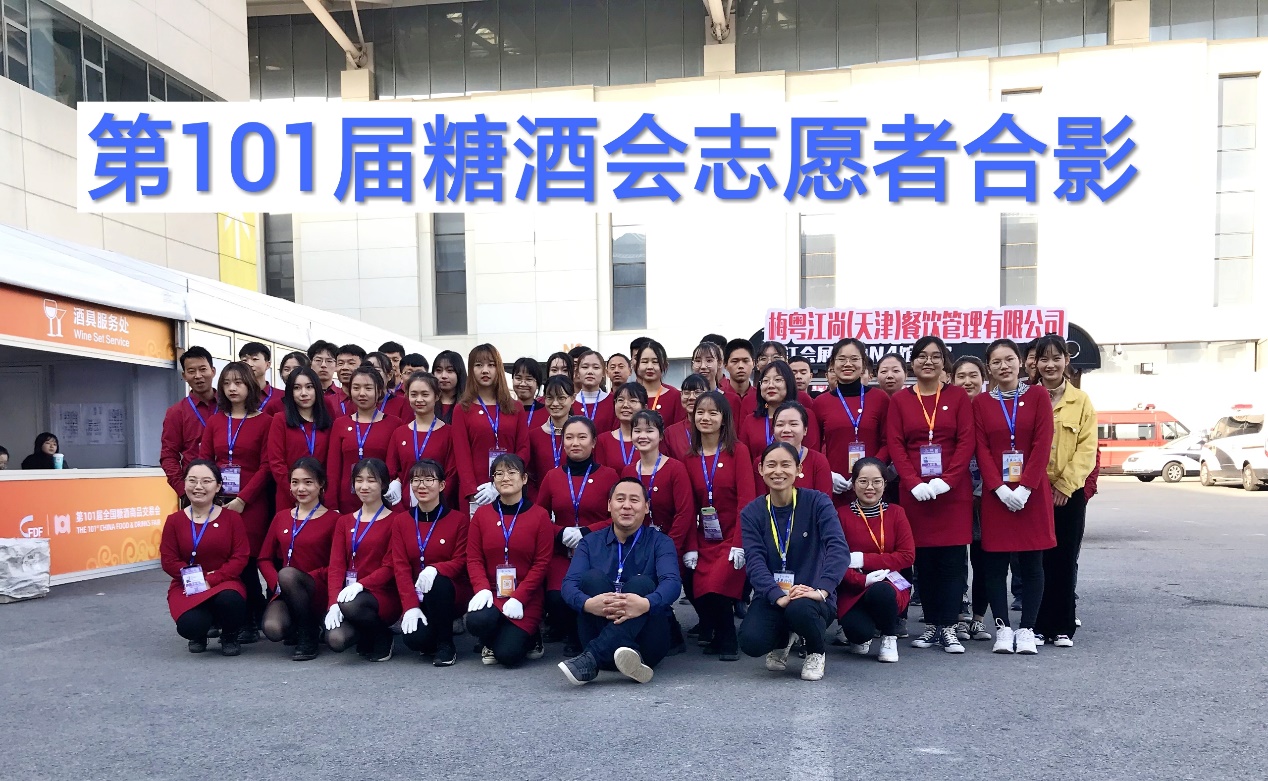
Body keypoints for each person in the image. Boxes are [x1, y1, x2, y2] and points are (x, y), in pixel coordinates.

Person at [886, 336, 974, 654]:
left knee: (952, 561)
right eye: (922, 356)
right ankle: (931, 625)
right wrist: (912, 482)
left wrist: (947, 481)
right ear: (913, 362)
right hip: (916, 494)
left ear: (944, 362)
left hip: (952, 493)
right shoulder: (901, 400)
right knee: (923, 561)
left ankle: (949, 626)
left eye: (936, 356)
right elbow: (896, 444)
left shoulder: (958, 397)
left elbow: (966, 441)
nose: (928, 361)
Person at [737, 442, 848, 681]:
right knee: (751, 641)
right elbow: (754, 561)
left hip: (812, 595)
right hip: (774, 594)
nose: (778, 471)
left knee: (800, 609)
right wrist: (777, 595)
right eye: (771, 465)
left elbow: (838, 549)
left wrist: (822, 590)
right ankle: (784, 638)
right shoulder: (752, 512)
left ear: (799, 469)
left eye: (786, 465)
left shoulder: (818, 502)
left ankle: (816, 651)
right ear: (761, 469)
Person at [973, 339, 1055, 655]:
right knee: (995, 564)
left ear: (1021, 362)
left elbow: (1042, 442)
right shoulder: (981, 403)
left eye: (1009, 359)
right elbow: (981, 448)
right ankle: (1003, 628)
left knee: (1032, 563)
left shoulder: (1037, 396)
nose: (1003, 366)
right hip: (997, 495)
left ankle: (1027, 628)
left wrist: (1025, 487)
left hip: (1031, 493)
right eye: (996, 362)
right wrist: (999, 488)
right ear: (989, 368)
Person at [558, 478, 683, 685]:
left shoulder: (661, 542)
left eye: (634, 500)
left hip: (648, 643)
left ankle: (593, 658)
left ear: (646, 507)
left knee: (641, 585)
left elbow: (672, 583)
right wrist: (588, 604)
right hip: (597, 628)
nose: (626, 506)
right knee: (592, 579)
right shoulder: (589, 542)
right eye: (620, 499)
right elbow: (568, 585)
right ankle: (627, 657)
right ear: (609, 505)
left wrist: (645, 604)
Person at [198, 360, 272, 642]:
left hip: (251, 502)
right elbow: (205, 462)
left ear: (250, 386)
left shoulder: (266, 421)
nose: (232, 388)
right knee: (222, 559)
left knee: (247, 561)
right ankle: (228, 618)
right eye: (227, 383)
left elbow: (266, 466)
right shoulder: (215, 421)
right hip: (218, 502)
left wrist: (243, 499)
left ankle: (251, 620)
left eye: (238, 382)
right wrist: (210, 496)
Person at [537, 416, 621, 655]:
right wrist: (560, 531)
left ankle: (588, 635)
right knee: (557, 596)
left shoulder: (609, 476)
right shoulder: (552, 477)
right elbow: (539, 517)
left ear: (593, 442)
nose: (575, 443)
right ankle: (570, 632)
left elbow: (617, 517)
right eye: (569, 437)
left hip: (599, 550)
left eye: (582, 437)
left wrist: (586, 531)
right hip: (563, 551)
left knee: (593, 588)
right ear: (562, 442)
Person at [1033, 333, 1097, 649]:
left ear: (1066, 361)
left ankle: (1062, 626)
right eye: (1044, 359)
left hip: (1068, 494)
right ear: (1036, 363)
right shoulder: (1029, 397)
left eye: (1056, 358)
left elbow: (1087, 448)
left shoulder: (1081, 401)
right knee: (1037, 561)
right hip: (1034, 492)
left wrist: (1065, 485)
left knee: (1064, 558)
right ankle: (1036, 624)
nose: (1050, 364)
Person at [683, 390, 755, 660]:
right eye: (700, 412)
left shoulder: (738, 451)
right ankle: (715, 634)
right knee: (698, 586)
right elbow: (689, 507)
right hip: (704, 537)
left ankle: (728, 639)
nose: (706, 418)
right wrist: (691, 545)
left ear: (724, 418)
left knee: (718, 584)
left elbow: (746, 501)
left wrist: (740, 543)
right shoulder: (689, 458)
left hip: (732, 536)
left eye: (713, 413)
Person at [465, 454, 554, 667]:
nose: (505, 478)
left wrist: (520, 597)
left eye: (512, 472)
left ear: (524, 479)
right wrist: (481, 589)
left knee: (508, 655)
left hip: (526, 596)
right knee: (476, 621)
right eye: (499, 474)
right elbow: (474, 558)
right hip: (493, 592)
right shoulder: (482, 515)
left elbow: (541, 563)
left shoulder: (540, 515)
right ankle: (491, 639)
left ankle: (531, 636)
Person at [159, 460, 250, 656]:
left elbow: (240, 557)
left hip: (224, 581)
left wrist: (212, 579)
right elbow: (168, 560)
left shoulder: (232, 518)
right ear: (184, 484)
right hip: (187, 584)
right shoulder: (174, 521)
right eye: (192, 480)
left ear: (217, 486)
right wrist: (196, 579)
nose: (198, 486)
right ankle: (199, 633)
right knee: (190, 626)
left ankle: (229, 635)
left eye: (206, 481)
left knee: (230, 600)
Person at [391, 459, 470, 666]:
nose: (422, 485)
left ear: (442, 485)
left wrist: (436, 569)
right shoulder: (401, 521)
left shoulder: (458, 520)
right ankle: (431, 634)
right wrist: (410, 606)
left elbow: (461, 560)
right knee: (415, 640)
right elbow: (400, 567)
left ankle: (446, 644)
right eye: (416, 480)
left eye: (429, 479)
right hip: (417, 595)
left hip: (450, 592)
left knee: (439, 582)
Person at [257, 457, 337, 661]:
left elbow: (337, 564)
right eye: (295, 482)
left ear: (321, 484)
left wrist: (303, 578)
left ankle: (308, 634)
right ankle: (302, 625)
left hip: (318, 587)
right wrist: (277, 583)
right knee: (273, 629)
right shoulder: (281, 517)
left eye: (308, 482)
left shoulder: (334, 519)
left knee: (289, 574)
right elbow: (264, 558)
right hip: (285, 587)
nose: (301, 488)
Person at [836, 457, 915, 664]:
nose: (870, 487)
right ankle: (866, 629)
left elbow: (907, 556)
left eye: (876, 481)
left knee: (881, 592)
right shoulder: (841, 515)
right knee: (858, 634)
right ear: (853, 484)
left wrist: (864, 560)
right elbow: (835, 559)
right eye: (863, 481)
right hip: (852, 585)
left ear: (885, 484)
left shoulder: (896, 513)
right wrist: (861, 579)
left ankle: (889, 636)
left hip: (889, 583)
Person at [323, 458, 399, 661]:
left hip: (382, 594)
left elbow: (391, 566)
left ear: (384, 484)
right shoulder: (344, 521)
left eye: (371, 480)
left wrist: (361, 585)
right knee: (336, 640)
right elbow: (336, 566)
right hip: (349, 596)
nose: (364, 486)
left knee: (352, 604)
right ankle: (366, 633)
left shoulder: (396, 521)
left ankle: (382, 635)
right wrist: (333, 603)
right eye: (359, 480)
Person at [450, 344, 531, 515]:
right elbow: (462, 455)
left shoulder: (515, 408)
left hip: (510, 487)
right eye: (479, 365)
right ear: (471, 369)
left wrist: (498, 485)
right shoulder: (462, 409)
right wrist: (472, 491)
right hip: (477, 493)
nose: (485, 370)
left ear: (498, 368)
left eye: (491, 365)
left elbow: (523, 449)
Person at [813, 338, 891, 508]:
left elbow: (888, 442)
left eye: (854, 359)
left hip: (872, 487)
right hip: (835, 487)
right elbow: (814, 447)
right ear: (832, 364)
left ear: (863, 364)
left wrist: (871, 470)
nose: (848, 364)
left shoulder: (880, 399)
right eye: (841, 359)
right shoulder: (820, 403)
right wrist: (827, 474)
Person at [951, 356, 993, 642]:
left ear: (983, 378)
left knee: (984, 560)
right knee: (955, 560)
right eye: (961, 376)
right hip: (954, 495)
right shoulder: (948, 409)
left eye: (973, 375)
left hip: (988, 495)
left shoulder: (991, 407)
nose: (967, 381)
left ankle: (978, 618)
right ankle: (957, 616)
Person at [326, 365, 403, 514]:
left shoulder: (394, 424)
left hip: (382, 497)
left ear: (379, 391)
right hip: (347, 499)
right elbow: (333, 468)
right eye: (356, 388)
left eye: (368, 388)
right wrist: (332, 505)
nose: (362, 393)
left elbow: (398, 464)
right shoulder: (340, 424)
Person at [386, 371, 463, 512]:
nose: (419, 399)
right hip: (404, 509)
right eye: (414, 394)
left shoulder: (449, 433)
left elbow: (451, 475)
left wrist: (435, 503)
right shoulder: (399, 433)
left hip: (440, 508)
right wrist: (396, 486)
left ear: (437, 396)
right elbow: (392, 470)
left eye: (425, 394)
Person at [266, 367, 334, 511]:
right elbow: (276, 462)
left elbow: (332, 461)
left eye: (309, 387)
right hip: (290, 496)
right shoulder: (280, 420)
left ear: (317, 389)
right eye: (297, 388)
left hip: (321, 495)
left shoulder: (327, 418)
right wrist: (296, 493)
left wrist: (322, 492)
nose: (303, 393)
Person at [160, 346, 217, 498]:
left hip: (232, 488)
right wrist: (183, 491)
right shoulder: (176, 412)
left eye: (203, 369)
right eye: (191, 371)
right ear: (184, 376)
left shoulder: (230, 406)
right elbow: (168, 456)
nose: (198, 376)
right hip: (196, 491)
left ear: (213, 371)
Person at [740, 360, 821, 462]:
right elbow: (744, 459)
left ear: (789, 383)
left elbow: (812, 457)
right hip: (760, 471)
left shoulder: (806, 415)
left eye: (778, 380)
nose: (770, 385)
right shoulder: (751, 420)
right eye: (765, 381)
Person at [527, 375, 575, 500]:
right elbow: (529, 476)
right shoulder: (534, 436)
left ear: (573, 399)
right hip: (541, 503)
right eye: (550, 398)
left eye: (561, 398)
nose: (555, 403)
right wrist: (538, 503)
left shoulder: (582, 435)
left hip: (575, 502)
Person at [769, 402, 832, 495]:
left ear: (805, 430)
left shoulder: (818, 461)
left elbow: (824, 501)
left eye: (793, 424)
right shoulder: (763, 462)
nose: (786, 430)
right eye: (780, 425)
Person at [595, 382, 647, 470]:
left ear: (644, 407)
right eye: (620, 400)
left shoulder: (650, 439)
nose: (625, 405)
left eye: (632, 401)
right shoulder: (603, 440)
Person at [633, 339, 682, 426]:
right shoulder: (629, 395)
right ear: (637, 365)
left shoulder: (675, 396)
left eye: (655, 362)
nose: (650, 367)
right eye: (644, 362)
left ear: (665, 365)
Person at [662, 373, 707, 463]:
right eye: (686, 393)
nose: (691, 397)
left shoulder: (717, 429)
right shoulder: (671, 433)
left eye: (697, 392)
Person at [572, 349, 615, 433]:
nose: (590, 372)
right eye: (585, 367)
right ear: (577, 372)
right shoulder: (569, 402)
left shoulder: (614, 401)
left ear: (604, 373)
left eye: (596, 367)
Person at [239, 341, 284, 416]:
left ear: (267, 365)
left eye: (255, 359)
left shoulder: (282, 396)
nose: (249, 364)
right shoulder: (234, 395)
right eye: (244, 360)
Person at [367, 351, 410, 421]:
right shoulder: (354, 403)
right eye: (367, 369)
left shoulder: (403, 403)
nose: (371, 374)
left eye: (377, 370)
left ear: (389, 375)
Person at [306, 340, 346, 415]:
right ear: (310, 364)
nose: (323, 365)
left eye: (329, 361)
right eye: (318, 360)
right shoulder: (303, 394)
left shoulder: (344, 396)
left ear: (336, 366)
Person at [722, 338, 758, 419]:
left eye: (745, 361)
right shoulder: (718, 397)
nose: (740, 366)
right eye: (735, 361)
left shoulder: (761, 397)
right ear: (725, 365)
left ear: (753, 363)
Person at [431, 349, 466, 423]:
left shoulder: (468, 404)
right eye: (439, 370)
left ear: (459, 373)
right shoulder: (427, 402)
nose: (444, 376)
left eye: (450, 370)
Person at [511, 357, 546, 431]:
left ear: (538, 384)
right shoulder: (505, 411)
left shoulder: (547, 413)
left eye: (529, 379)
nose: (523, 384)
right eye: (518, 378)